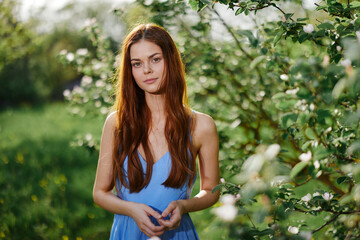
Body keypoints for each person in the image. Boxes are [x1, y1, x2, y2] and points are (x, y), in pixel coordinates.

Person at [93, 23, 220, 240]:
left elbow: (212, 190)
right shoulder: (117, 123)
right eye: (137, 63)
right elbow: (99, 193)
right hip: (128, 233)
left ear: (170, 60)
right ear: (130, 70)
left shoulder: (201, 125)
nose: (147, 70)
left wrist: (183, 205)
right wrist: (131, 210)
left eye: (155, 59)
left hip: (177, 234)